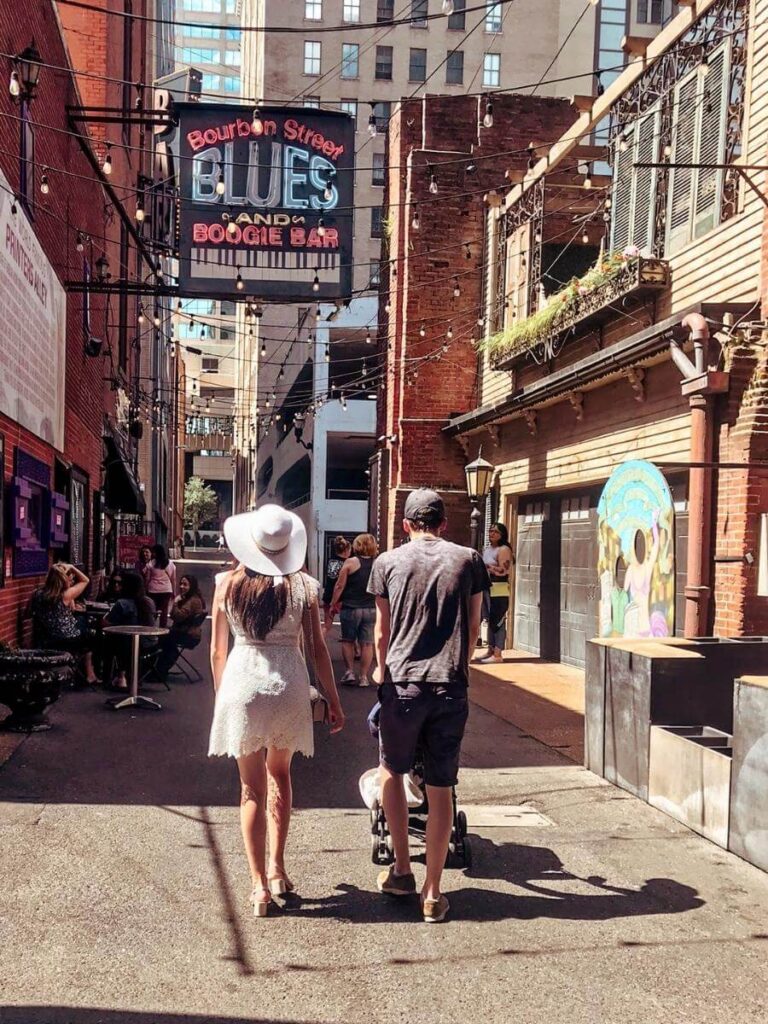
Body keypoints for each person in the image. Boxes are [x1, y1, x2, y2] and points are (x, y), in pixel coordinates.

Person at [209, 504, 345, 918]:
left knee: (250, 788)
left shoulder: (226, 585)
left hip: (242, 684)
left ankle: (257, 887)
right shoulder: (303, 587)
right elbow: (318, 649)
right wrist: (334, 701)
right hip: (288, 684)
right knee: (280, 776)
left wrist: (221, 698)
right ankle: (277, 867)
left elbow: (217, 651)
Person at [368, 488, 488, 924]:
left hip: (402, 683)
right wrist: (460, 664)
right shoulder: (469, 559)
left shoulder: (387, 562)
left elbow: (382, 632)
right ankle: (433, 892)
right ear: (443, 523)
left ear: (406, 525)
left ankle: (402, 869)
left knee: (391, 771)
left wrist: (380, 671)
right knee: (441, 787)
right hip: (449, 684)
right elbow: (473, 625)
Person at [27, 563, 101, 686]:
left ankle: (83, 672)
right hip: (68, 639)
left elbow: (28, 614)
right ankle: (90, 674)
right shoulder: (65, 595)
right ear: (64, 579)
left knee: (83, 627)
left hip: (47, 638)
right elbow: (85, 580)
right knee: (91, 636)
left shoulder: (37, 594)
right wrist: (71, 567)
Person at [331, 533, 378, 688]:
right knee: (367, 644)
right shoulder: (378, 563)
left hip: (351, 607)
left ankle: (349, 672)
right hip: (371, 608)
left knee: (348, 641)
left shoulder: (350, 562)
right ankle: (364, 677)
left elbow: (339, 585)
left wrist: (333, 603)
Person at [101, 571, 157, 691]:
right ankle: (125, 676)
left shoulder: (122, 604)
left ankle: (110, 676)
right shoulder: (149, 602)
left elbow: (106, 623)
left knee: (107, 640)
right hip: (149, 643)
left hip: (127, 645)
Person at [153, 574, 206, 682]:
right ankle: (161, 668)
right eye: (181, 584)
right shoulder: (192, 598)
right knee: (165, 639)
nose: (182, 586)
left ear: (192, 586)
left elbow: (178, 616)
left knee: (163, 638)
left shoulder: (192, 601)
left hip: (188, 635)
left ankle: (160, 669)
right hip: (187, 633)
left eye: (185, 585)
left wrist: (175, 603)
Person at [478, 522, 513, 664]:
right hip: (487, 586)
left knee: (498, 620)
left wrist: (487, 568)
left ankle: (498, 654)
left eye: (495, 532)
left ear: (502, 535)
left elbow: (504, 571)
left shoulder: (504, 549)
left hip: (499, 587)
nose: (492, 534)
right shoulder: (487, 549)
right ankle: (490, 650)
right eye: (490, 531)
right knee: (489, 619)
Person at [322, 536, 351, 634]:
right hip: (341, 597)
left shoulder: (330, 560)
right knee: (348, 626)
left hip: (328, 595)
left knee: (327, 625)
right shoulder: (347, 563)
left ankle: (320, 641)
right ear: (346, 550)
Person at [144, 543, 176, 627]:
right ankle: (162, 628)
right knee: (164, 611)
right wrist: (174, 591)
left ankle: (150, 626)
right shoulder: (170, 564)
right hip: (166, 590)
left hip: (153, 590)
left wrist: (145, 588)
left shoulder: (151, 564)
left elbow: (147, 578)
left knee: (152, 609)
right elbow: (173, 579)